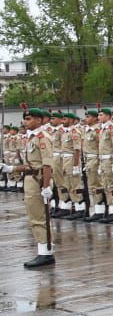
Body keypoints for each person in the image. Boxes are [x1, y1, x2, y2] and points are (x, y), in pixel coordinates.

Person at [5, 108, 55, 268]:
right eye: (25, 119)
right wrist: (11, 168)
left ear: (39, 120)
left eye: (29, 119)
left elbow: (47, 164)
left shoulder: (42, 138)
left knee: (39, 217)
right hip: (31, 178)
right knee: (34, 215)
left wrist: (46, 186)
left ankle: (45, 253)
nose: (25, 122)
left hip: (39, 180)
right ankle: (42, 251)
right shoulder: (31, 138)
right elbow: (30, 164)